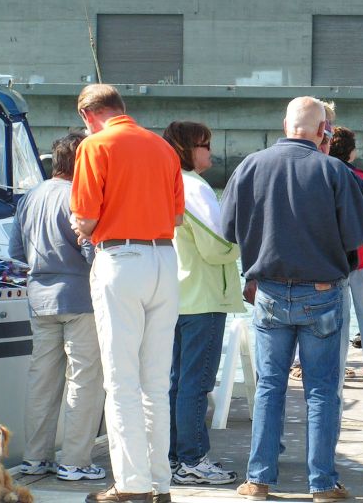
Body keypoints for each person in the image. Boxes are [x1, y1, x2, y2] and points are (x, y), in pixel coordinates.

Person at [222, 96, 363, 502]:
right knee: (322, 391)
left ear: (285, 124)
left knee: (270, 387)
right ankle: (321, 484)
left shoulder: (250, 165)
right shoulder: (334, 170)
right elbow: (357, 235)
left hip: (268, 290)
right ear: (323, 130)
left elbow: (227, 228)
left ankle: (258, 480)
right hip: (321, 292)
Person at [71, 83, 184, 503]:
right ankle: (159, 483)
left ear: (88, 115)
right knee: (155, 382)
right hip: (165, 261)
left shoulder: (95, 146)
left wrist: (78, 224)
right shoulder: (163, 147)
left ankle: (132, 484)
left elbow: (84, 218)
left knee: (121, 382)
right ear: (121, 107)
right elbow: (176, 215)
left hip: (120, 261)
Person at [11, 133, 106, 482]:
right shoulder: (79, 197)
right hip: (80, 297)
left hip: (39, 297)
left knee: (42, 381)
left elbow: (16, 252)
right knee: (83, 379)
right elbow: (91, 250)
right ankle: (76, 460)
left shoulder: (31, 196)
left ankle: (36, 458)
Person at [162, 121, 244, 486]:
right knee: (195, 383)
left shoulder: (167, 183)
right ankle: (193, 458)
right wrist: (246, 242)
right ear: (188, 149)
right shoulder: (195, 187)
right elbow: (217, 246)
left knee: (176, 382)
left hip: (175, 295)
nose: (211, 151)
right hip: (203, 297)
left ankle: (174, 456)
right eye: (204, 145)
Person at [329, 126, 363, 387]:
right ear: (351, 152)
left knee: (338, 317)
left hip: (333, 259)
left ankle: (337, 371)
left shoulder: (324, 176)